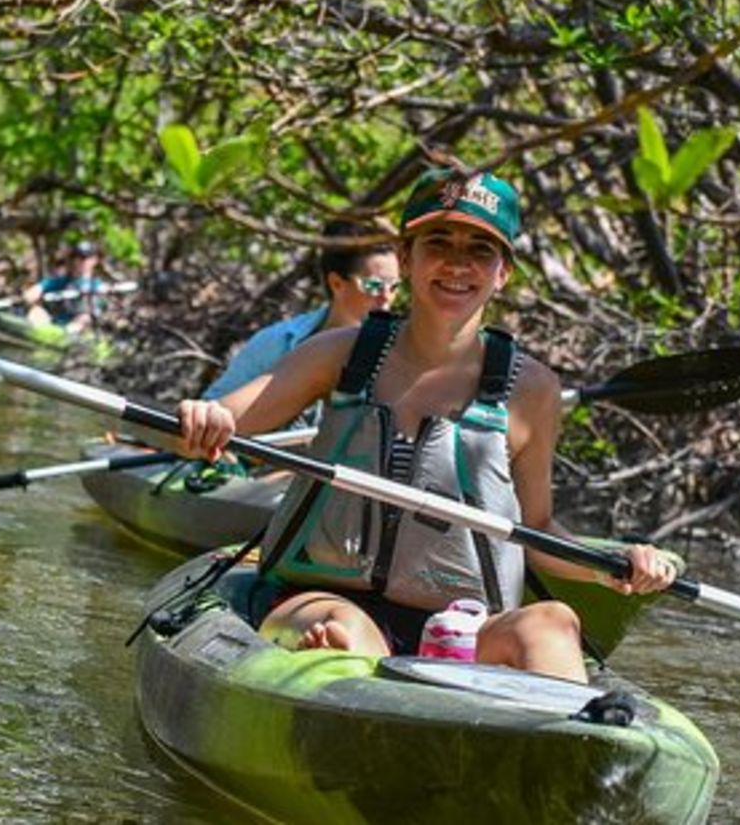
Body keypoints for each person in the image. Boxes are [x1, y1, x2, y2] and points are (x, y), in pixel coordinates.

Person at [174, 167, 677, 683]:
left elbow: (537, 530)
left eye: (480, 249)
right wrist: (205, 420)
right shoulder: (338, 355)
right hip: (320, 598)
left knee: (553, 622)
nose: (457, 263)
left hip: (458, 626)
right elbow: (220, 424)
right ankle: (339, 670)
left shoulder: (533, 390)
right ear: (406, 257)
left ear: (503, 272)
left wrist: (611, 564)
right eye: (439, 241)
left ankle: (561, 747)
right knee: (344, 627)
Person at [203, 219, 401, 409]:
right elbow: (210, 410)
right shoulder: (278, 342)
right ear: (337, 284)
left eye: (394, 287)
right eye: (374, 285)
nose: (386, 297)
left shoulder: (401, 357)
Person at [22, 239, 104, 334]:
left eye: (85, 258)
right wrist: (33, 297)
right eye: (77, 257)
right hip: (54, 323)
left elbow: (94, 312)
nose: (81, 261)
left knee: (85, 317)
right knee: (36, 312)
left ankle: (65, 337)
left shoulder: (97, 285)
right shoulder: (60, 281)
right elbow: (32, 293)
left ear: (95, 260)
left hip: (78, 330)